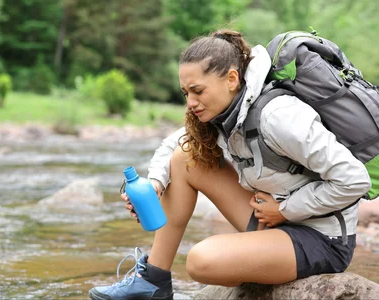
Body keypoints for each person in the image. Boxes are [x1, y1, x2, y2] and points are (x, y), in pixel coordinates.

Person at [89, 29, 371, 300]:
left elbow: (355, 180)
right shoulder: (226, 111)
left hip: (321, 238)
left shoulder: (279, 116)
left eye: (197, 91)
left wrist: (285, 210)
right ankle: (153, 280)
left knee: (201, 261)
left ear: (232, 78)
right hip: (272, 220)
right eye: (186, 93)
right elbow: (173, 145)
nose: (190, 103)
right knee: (185, 158)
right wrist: (156, 184)